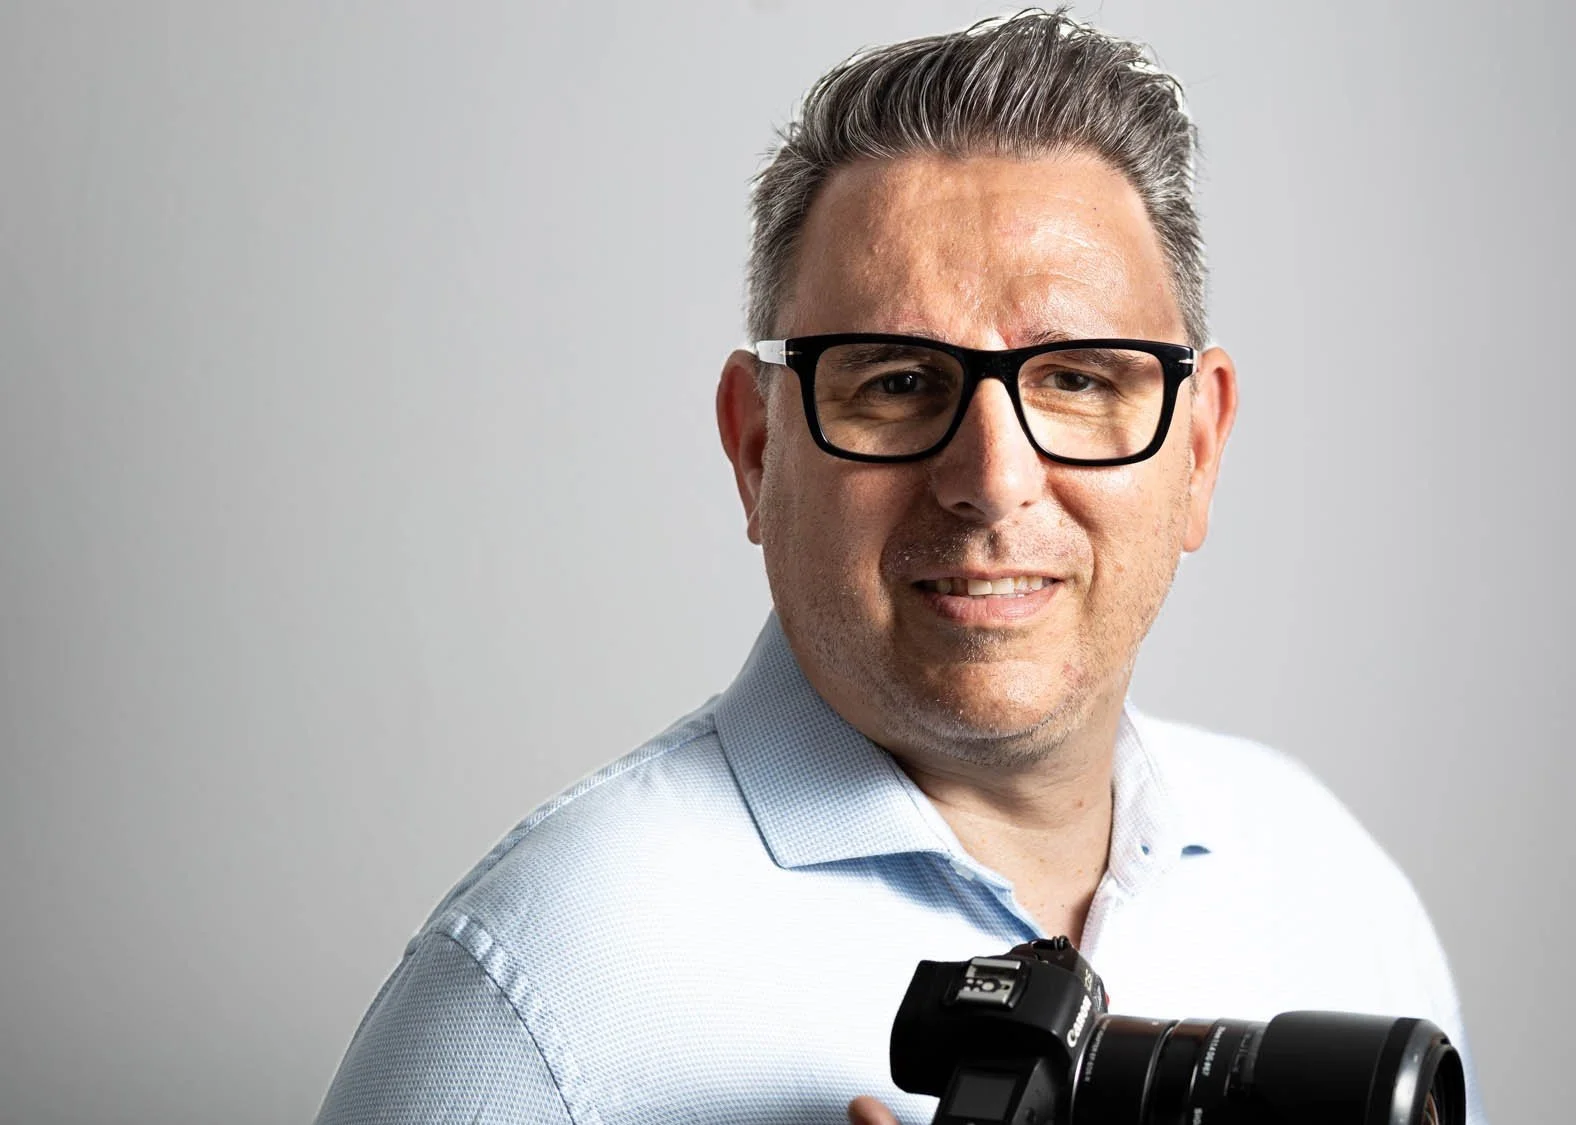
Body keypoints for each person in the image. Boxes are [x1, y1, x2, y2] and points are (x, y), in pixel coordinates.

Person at [317, 11, 1487, 1125]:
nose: (992, 478)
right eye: (895, 382)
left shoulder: (1327, 883)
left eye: (1076, 379)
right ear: (756, 446)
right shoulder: (543, 995)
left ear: (1199, 448)